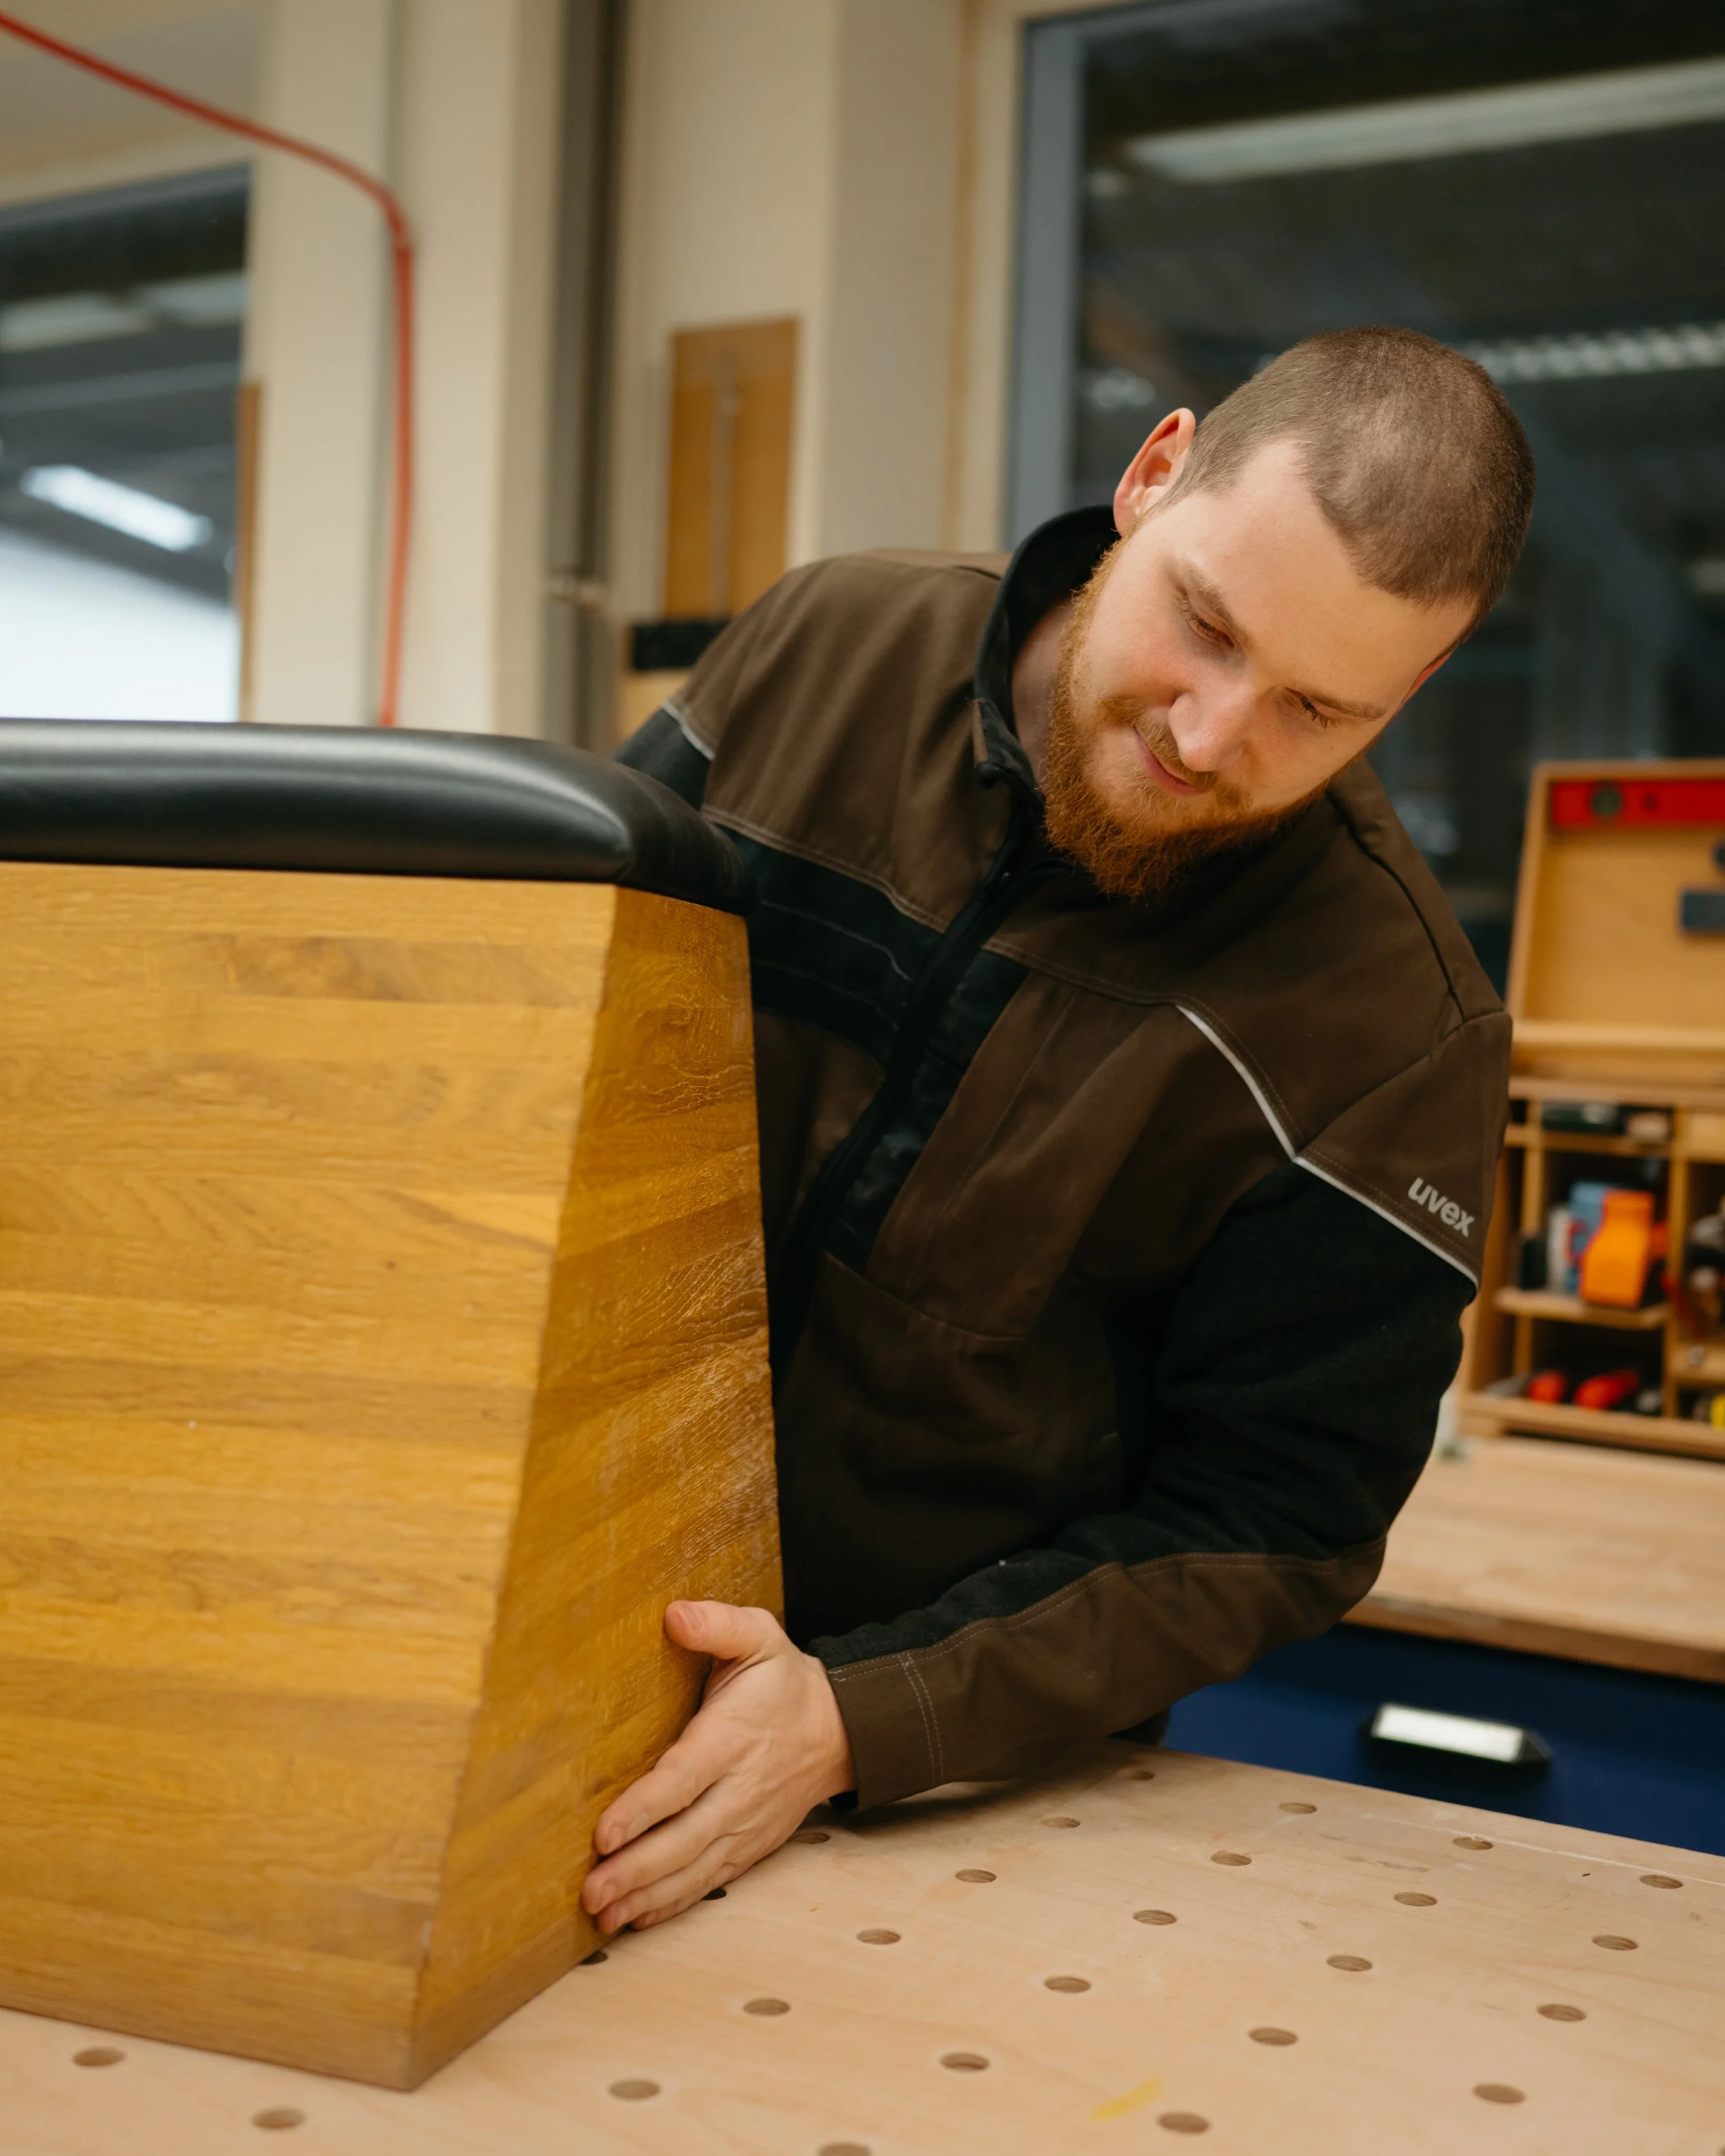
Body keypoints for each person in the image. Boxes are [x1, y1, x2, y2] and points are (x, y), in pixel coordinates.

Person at [583, 324, 1532, 1936]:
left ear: (1414, 686)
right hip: (566, 1610)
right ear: (1151, 475)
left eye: (1315, 707)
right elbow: (552, 1034)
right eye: (1205, 625)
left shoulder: (1392, 1035)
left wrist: (863, 1715)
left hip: (933, 1781)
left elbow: (1270, 1525)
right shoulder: (826, 642)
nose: (1209, 737)